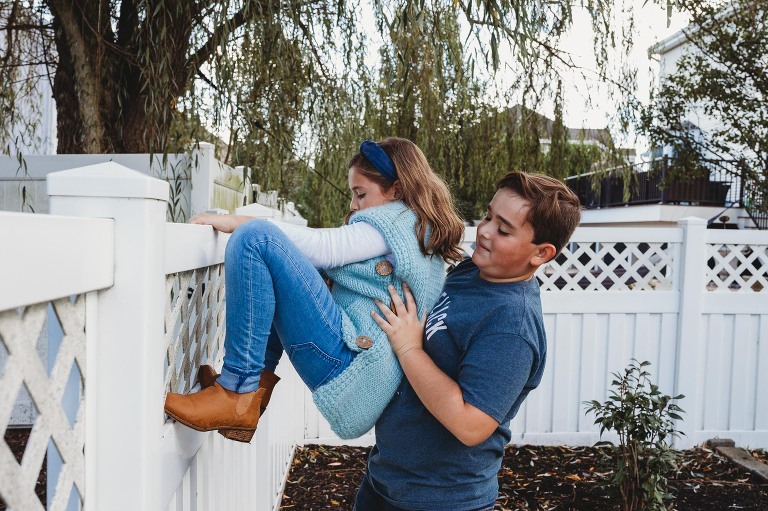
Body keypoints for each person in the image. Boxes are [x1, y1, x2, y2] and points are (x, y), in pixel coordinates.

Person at [164, 137, 464, 442]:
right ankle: (251, 387)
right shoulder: (417, 229)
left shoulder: (397, 221)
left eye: (360, 194)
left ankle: (237, 390)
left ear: (396, 191)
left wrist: (238, 221)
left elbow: (325, 248)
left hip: (351, 365)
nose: (353, 205)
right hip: (355, 367)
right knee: (277, 267)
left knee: (256, 238)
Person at [355, 171, 582, 511]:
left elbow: (470, 425)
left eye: (504, 229)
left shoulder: (511, 327)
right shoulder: (470, 271)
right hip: (386, 478)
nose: (485, 231)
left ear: (541, 253)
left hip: (441, 499)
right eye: (489, 216)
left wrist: (409, 347)